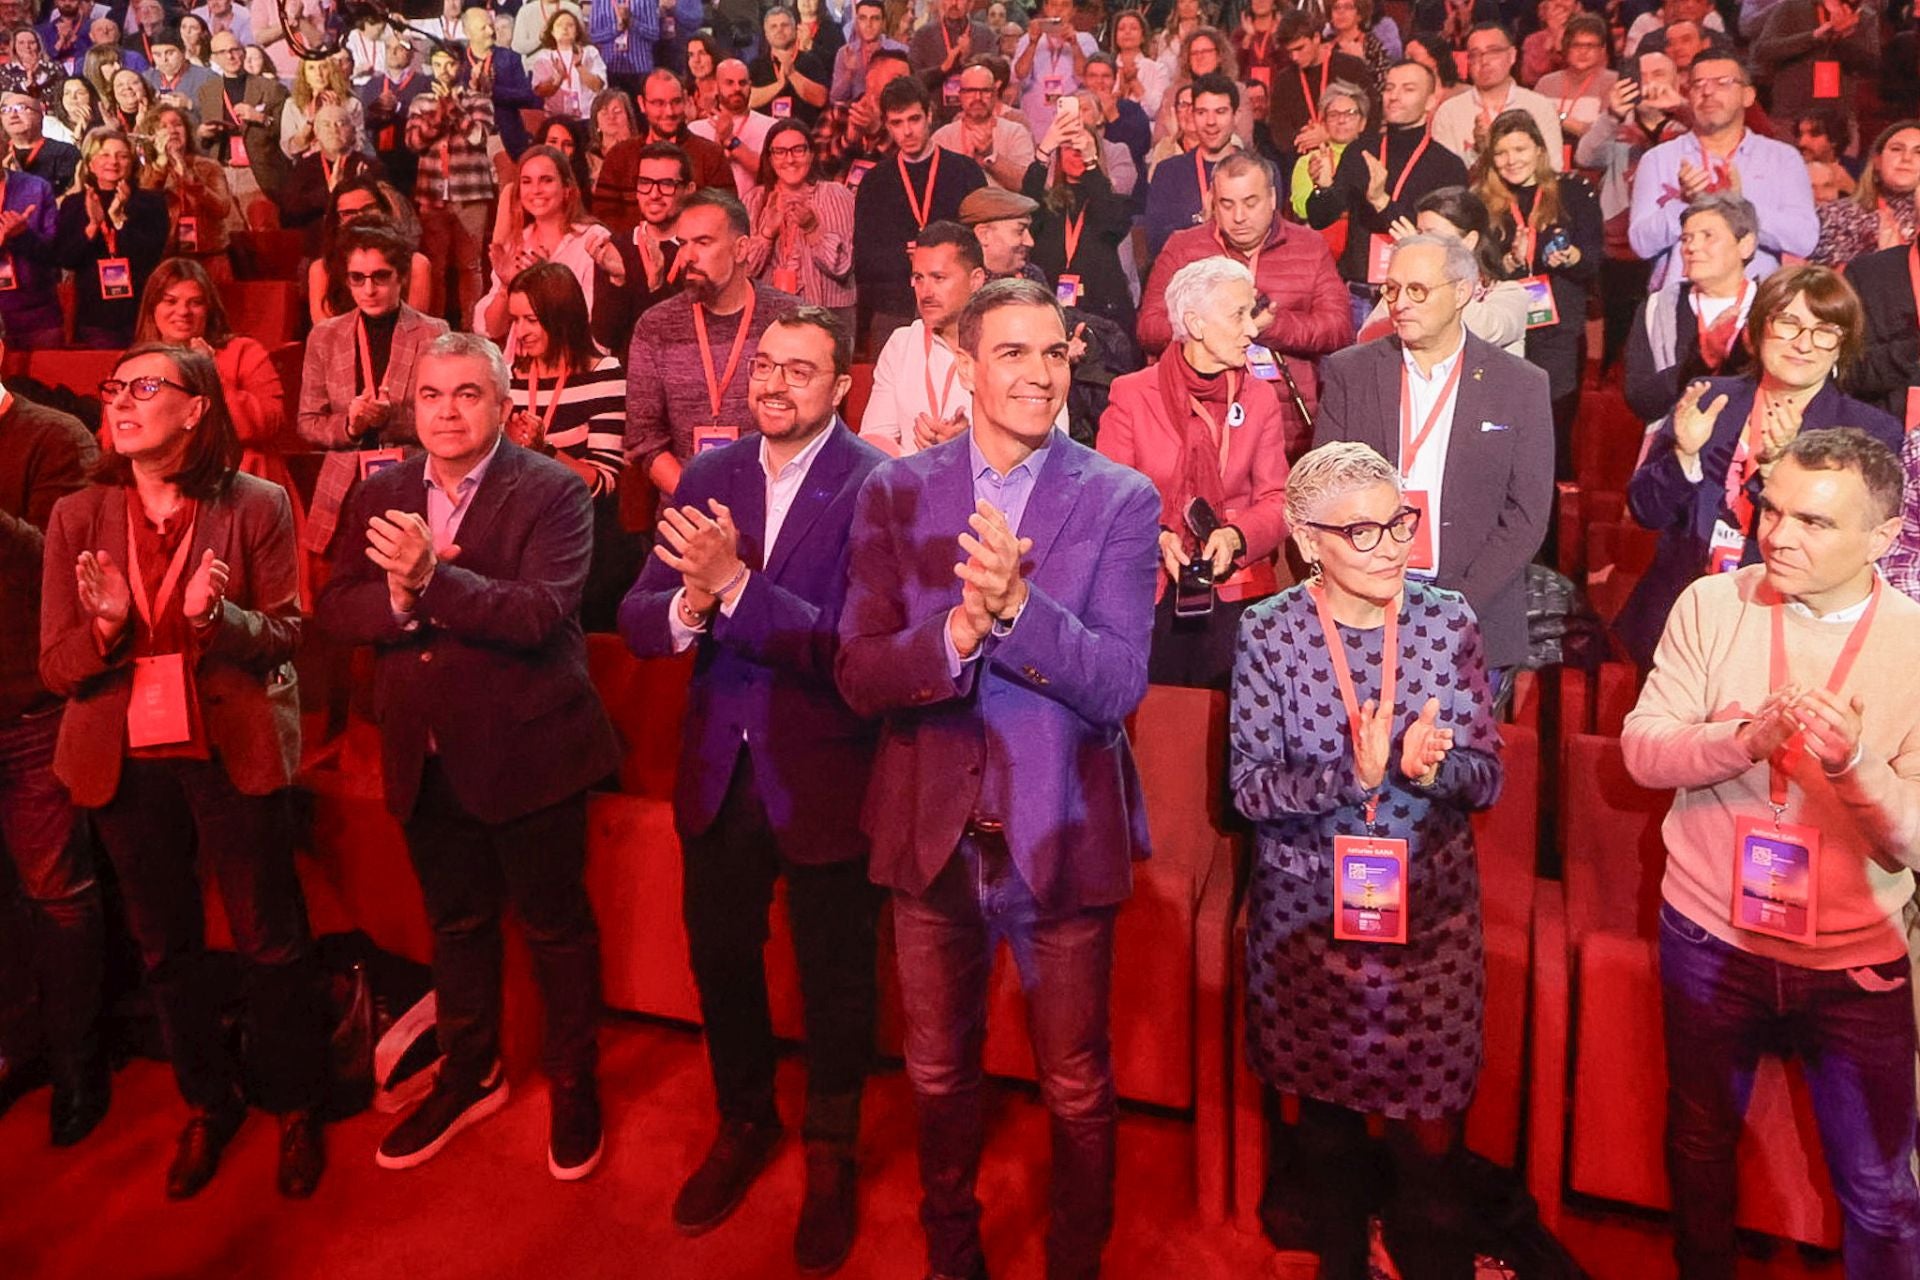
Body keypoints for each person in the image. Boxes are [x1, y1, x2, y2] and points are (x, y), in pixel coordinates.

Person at [835, 277, 1160, 1280]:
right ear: (965, 366)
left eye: (1055, 353)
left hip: (1058, 832)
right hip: (931, 835)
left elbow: (1114, 684)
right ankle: (952, 1254)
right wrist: (957, 633)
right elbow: (859, 672)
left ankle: (1075, 1259)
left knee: (1073, 1082)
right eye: (1013, 352)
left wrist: (1017, 611)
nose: (1039, 372)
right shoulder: (894, 490)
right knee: (936, 1070)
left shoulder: (1119, 497)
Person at [316, 331, 620, 1182]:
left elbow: (536, 614)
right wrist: (402, 600)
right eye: (431, 397)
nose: (447, 413)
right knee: (458, 925)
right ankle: (470, 1069)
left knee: (557, 928)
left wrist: (430, 585)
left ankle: (572, 1076)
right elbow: (337, 608)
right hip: (426, 750)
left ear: (504, 405)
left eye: (467, 395)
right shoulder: (379, 491)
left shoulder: (557, 492)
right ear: (412, 407)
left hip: (532, 750)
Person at [620, 305, 885, 1273]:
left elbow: (855, 646)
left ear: (841, 384)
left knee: (836, 978)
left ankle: (831, 1148)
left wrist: (736, 587)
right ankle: (743, 1120)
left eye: (798, 371)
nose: (772, 384)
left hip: (826, 769)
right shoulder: (709, 472)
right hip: (718, 766)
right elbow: (640, 618)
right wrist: (692, 598)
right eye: (764, 366)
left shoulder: (877, 485)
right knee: (722, 959)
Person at [1621, 427, 1920, 1280]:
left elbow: (1914, 840)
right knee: (1701, 1152)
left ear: (1884, 537)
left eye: (1815, 523)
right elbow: (1643, 752)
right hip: (1710, 937)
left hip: (1854, 959)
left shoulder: (1914, 641)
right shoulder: (1712, 606)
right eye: (1771, 508)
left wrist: (1854, 768)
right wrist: (1744, 739)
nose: (1777, 535)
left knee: (1878, 1189)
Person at [40, 344, 327, 1199]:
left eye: (146, 387)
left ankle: (296, 1103)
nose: (124, 401)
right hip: (123, 758)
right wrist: (104, 631)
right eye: (116, 388)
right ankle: (210, 1099)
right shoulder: (77, 516)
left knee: (267, 939)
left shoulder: (259, 503)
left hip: (226, 748)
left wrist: (221, 617)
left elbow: (286, 638)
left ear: (196, 409)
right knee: (164, 947)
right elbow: (57, 668)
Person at [1230, 438, 1501, 1278]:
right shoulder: (1269, 633)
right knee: (1329, 1144)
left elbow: (1486, 778)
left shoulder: (1446, 618)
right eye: (1363, 533)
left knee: (1431, 1155)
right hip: (1310, 928)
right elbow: (1249, 790)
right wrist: (1357, 774)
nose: (1390, 549)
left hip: (1431, 923)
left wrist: (1434, 766)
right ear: (1308, 540)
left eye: (1399, 525)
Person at [1618, 264, 1901, 666]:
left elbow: (1853, 549)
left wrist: (1781, 470)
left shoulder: (1869, 434)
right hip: (1683, 614)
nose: (1804, 344)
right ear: (1758, 330)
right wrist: (1685, 455)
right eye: (1788, 323)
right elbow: (1647, 510)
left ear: (1842, 345)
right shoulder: (1709, 398)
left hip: (1789, 629)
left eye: (1824, 331)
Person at [1313, 232, 1553, 681]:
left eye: (1417, 290)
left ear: (1462, 292)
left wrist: (1451, 608)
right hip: (1365, 608)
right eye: (1392, 289)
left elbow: (1526, 516)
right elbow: (1326, 494)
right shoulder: (1352, 373)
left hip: (1472, 615)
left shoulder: (1519, 385)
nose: (1400, 303)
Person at [0, 317, 105, 1149]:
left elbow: (63, 567)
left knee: (55, 892)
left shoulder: (53, 437)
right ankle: (18, 1046)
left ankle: (79, 1063)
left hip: (30, 702)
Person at [1100, 257, 1292, 688]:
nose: (1253, 328)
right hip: (1151, 589)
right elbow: (1109, 501)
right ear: (1195, 323)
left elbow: (1279, 500)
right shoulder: (1131, 395)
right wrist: (1158, 537)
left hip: (1237, 589)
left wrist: (1236, 536)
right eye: (1238, 314)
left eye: (1252, 311)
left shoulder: (1259, 398)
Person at [1140, 151, 1353, 458]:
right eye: (1227, 204)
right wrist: (1217, 330)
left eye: (1250, 203)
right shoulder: (1183, 247)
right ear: (1213, 201)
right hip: (1199, 419)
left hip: (1290, 430)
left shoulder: (1309, 246)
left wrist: (1272, 326)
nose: (1239, 216)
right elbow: (1149, 327)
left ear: (1272, 197)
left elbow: (1339, 329)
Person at [625, 189, 799, 500]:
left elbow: (809, 426)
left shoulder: (789, 321)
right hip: (686, 514)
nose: (688, 256)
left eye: (703, 243)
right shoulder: (656, 326)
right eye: (683, 244)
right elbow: (644, 438)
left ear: (741, 248)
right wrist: (696, 497)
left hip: (774, 508)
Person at [132, 257, 300, 571]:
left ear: (209, 310)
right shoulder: (135, 364)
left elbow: (267, 423)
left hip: (236, 483)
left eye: (195, 303)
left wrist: (210, 373)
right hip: (162, 489)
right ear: (152, 308)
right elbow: (116, 438)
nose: (183, 311)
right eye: (171, 301)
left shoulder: (244, 352)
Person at [296, 220, 450, 559]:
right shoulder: (325, 336)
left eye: (380, 276)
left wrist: (389, 418)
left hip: (414, 482)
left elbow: (443, 419)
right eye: (357, 278)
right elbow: (308, 423)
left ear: (401, 277)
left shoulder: (433, 334)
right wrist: (351, 425)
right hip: (344, 489)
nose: (369, 289)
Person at [501, 262, 631, 629]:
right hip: (519, 537)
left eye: (531, 319)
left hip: (585, 538)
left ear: (561, 316)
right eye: (515, 320)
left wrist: (546, 453)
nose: (520, 332)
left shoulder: (604, 373)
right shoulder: (508, 379)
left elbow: (604, 482)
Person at [1475, 108, 1600, 473]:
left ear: (1540, 150)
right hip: (1505, 334)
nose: (1511, 160)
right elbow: (1479, 269)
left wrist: (1571, 256)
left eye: (1520, 149)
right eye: (1501, 152)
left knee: (1552, 438)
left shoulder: (1573, 192)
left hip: (1558, 334)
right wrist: (1511, 264)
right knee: (1503, 436)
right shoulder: (1484, 202)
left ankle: (1552, 528)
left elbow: (1594, 261)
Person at [1629, 53, 1817, 290]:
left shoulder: (1782, 158)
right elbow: (1641, 243)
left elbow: (1804, 239)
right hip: (1681, 303)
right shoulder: (1658, 159)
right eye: (1698, 85)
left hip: (1760, 303)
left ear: (1748, 96)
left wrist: (1739, 204)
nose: (1707, 92)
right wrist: (1685, 204)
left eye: (1722, 83)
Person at [1306, 61, 1470, 332]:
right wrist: (1322, 188)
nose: (1394, 96)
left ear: (1431, 100)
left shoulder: (1447, 165)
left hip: (1416, 296)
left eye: (1408, 89)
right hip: (1358, 293)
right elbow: (1320, 218)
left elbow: (1441, 244)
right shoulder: (1361, 150)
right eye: (1390, 88)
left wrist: (1382, 202)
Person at [850, 75, 985, 351]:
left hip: (955, 306)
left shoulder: (965, 172)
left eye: (914, 119)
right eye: (897, 123)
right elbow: (864, 258)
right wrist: (909, 260)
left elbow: (980, 243)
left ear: (930, 116)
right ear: (886, 125)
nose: (907, 132)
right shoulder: (875, 182)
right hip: (894, 309)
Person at [1626, 193, 1760, 424]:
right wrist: (1702, 357)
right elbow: (1641, 401)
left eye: (1708, 236)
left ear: (1745, 245)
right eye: (1687, 238)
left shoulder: (1771, 308)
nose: (1692, 247)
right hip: (1674, 450)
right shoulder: (1658, 309)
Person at [860, 221, 990, 457]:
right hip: (911, 488)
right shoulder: (901, 344)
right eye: (919, 278)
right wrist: (917, 470)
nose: (926, 292)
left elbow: (1042, 443)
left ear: (976, 280)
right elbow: (873, 440)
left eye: (938, 278)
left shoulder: (1004, 346)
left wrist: (970, 445)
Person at [475, 144, 613, 340]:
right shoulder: (516, 244)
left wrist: (547, 287)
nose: (536, 190)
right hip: (522, 362)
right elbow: (489, 329)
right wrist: (506, 288)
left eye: (546, 180)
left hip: (575, 360)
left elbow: (595, 323)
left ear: (567, 189)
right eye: (527, 182)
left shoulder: (593, 240)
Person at [1023, 101, 1137, 335]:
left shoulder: (1108, 199)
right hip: (1049, 311)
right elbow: (1026, 201)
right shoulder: (1046, 204)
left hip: (1102, 313)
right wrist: (1045, 148)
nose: (1075, 154)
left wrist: (1091, 163)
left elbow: (1111, 222)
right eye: (1068, 148)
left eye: (1081, 148)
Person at [408, 44, 499, 329]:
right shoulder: (421, 102)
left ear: (460, 66)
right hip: (433, 194)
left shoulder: (479, 100)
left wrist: (456, 110)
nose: (443, 71)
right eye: (437, 64)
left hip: (470, 193)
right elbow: (413, 142)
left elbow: (478, 138)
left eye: (449, 64)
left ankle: (471, 328)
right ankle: (434, 328)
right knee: (434, 267)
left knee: (469, 266)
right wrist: (438, 114)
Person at [53, 126, 167, 349]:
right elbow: (66, 258)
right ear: (89, 164)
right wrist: (93, 226)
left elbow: (150, 256)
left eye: (122, 156)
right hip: (95, 313)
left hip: (142, 307)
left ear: (132, 163)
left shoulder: (151, 202)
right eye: (104, 155)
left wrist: (118, 219)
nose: (113, 162)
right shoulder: (74, 204)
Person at [741, 118, 855, 328]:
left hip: (829, 315)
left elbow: (842, 267)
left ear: (811, 154)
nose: (790, 159)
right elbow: (744, 271)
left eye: (798, 150)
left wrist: (812, 229)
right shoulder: (754, 200)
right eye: (780, 152)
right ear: (770, 158)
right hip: (769, 314)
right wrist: (767, 234)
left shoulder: (836, 195)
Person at [589, 140, 691, 354]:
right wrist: (617, 281)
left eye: (666, 184)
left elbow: (690, 333)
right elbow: (604, 339)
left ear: (689, 189)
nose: (654, 194)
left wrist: (659, 287)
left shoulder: (698, 250)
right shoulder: (616, 249)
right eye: (645, 182)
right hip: (628, 377)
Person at [1429, 23, 1564, 172]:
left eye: (1493, 52)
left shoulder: (1539, 106)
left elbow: (1554, 167)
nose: (1484, 61)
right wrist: (1476, 150)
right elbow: (1444, 174)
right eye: (1475, 54)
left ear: (1512, 55)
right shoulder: (1449, 111)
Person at [305, 180, 433, 322]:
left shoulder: (416, 265)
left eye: (368, 209)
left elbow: (414, 330)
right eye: (348, 213)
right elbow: (325, 334)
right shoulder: (321, 270)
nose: (360, 217)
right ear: (337, 221)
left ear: (383, 211)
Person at [1143, 71, 1238, 258]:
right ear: (1193, 115)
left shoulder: (1260, 171)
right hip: (1187, 277)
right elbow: (1157, 243)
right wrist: (1203, 220)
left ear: (1235, 116)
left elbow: (1265, 238)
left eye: (1220, 112)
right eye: (1202, 112)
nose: (1211, 122)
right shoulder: (1168, 172)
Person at [195, 29, 287, 224]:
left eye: (234, 49)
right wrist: (203, 133)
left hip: (258, 172)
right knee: (230, 236)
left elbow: (285, 132)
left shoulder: (271, 88)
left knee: (264, 233)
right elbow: (201, 141)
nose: (230, 56)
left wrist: (260, 118)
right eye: (223, 52)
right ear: (214, 58)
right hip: (223, 171)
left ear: (243, 51)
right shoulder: (207, 91)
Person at [137, 102, 236, 282]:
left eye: (177, 124)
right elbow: (142, 210)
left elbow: (222, 208)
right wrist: (160, 166)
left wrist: (191, 180)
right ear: (151, 136)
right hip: (166, 260)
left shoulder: (208, 166)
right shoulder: (145, 172)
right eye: (163, 127)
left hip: (210, 257)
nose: (172, 130)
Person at [1751, 0, 1878, 127]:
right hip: (1790, 116)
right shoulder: (1793, 6)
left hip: (1839, 122)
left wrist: (1844, 39)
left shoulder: (1866, 16)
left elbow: (1871, 66)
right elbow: (1763, 52)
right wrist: (1813, 37)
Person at [1812, 121, 1920, 271]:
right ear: (1877, 161)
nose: (1906, 158)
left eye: (1919, 152)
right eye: (1896, 149)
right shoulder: (1833, 216)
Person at [1266, 10, 1371, 156]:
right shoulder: (1284, 80)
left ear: (1316, 38)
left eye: (1300, 48)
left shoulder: (1352, 68)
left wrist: (1330, 135)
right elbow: (1279, 133)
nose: (1294, 57)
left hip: (1351, 158)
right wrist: (1306, 139)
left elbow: (1372, 118)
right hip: (1301, 160)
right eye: (1289, 52)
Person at [277, 101, 382, 237]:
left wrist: (363, 189)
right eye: (326, 125)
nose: (334, 129)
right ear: (316, 133)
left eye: (341, 123)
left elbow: (387, 213)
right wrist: (328, 191)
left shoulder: (371, 166)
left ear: (353, 131)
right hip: (318, 243)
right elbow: (287, 216)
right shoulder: (305, 167)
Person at [934, 59, 1036, 193]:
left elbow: (1028, 185)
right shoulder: (942, 138)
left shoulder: (1016, 132)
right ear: (961, 95)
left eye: (985, 91)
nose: (978, 98)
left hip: (1007, 212)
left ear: (994, 94)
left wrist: (990, 156)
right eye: (970, 91)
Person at [458, 5, 541, 160]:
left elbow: (526, 97)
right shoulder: (459, 63)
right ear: (467, 32)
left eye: (491, 26)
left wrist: (492, 92)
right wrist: (473, 90)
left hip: (507, 141)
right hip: (468, 142)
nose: (491, 32)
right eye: (483, 28)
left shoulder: (510, 58)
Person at [690, 58, 775, 206]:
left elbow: (770, 175)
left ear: (750, 86)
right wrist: (719, 141)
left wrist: (730, 140)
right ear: (716, 86)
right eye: (729, 83)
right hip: (710, 215)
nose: (737, 88)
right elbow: (696, 181)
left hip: (758, 214)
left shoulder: (771, 127)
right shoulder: (696, 129)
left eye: (743, 83)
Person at [1533, 14, 1615, 164]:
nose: (1583, 52)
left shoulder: (1612, 82)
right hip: (1547, 163)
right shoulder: (1546, 83)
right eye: (1576, 45)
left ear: (1602, 50)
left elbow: (1605, 135)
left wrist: (1561, 118)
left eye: (1590, 46)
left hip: (1592, 167)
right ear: (1565, 47)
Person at [1287, 78, 1367, 224]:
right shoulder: (1310, 161)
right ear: (1323, 123)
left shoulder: (1375, 158)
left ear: (1362, 123)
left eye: (1349, 113)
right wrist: (1320, 187)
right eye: (1333, 115)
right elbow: (1302, 210)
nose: (1341, 120)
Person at [1012, 0, 1097, 136]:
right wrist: (1032, 44)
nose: (1058, 10)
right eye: (1053, 5)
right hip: (1034, 122)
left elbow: (1087, 78)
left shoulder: (1085, 40)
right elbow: (1020, 74)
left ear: (1073, 10)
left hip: (1071, 123)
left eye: (1064, 5)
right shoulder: (1027, 39)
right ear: (1045, 8)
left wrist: (1074, 45)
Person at [0, 160, 60, 350]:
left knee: (45, 377)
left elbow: (56, 252)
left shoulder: (36, 187)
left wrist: (23, 235)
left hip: (36, 314)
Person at [749, 5, 829, 128]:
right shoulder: (756, 65)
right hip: (765, 134)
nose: (779, 30)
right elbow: (748, 100)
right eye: (773, 26)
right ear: (766, 34)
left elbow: (821, 99)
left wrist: (792, 73)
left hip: (805, 132)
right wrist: (778, 86)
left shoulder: (811, 61)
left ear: (795, 30)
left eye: (784, 25)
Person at [280, 52, 360, 162]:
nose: (318, 73)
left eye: (323, 67)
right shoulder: (292, 105)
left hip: (344, 164)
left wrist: (337, 114)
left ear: (331, 71)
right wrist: (310, 123)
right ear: (304, 74)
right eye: (311, 68)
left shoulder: (352, 103)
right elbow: (289, 149)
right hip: (307, 167)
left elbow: (359, 145)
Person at [530, 9, 607, 121]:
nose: (565, 29)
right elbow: (540, 92)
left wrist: (579, 67)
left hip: (587, 117)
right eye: (559, 25)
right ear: (552, 32)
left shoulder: (590, 52)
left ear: (577, 31)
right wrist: (558, 79)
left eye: (570, 25)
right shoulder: (544, 57)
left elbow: (598, 87)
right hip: (557, 118)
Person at [1, 90, 80, 193]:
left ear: (40, 114)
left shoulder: (65, 152)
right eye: (5, 110)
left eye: (21, 108)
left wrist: (21, 182)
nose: (13, 115)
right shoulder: (2, 153)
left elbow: (70, 200)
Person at [831, 0, 905, 106]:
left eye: (875, 19)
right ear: (856, 22)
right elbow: (835, 99)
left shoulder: (900, 51)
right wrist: (849, 73)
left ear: (883, 22)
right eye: (863, 18)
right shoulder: (845, 53)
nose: (868, 24)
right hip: (854, 115)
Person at [908, 0, 996, 84]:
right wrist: (943, 68)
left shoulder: (986, 35)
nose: (954, 3)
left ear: (970, 3)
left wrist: (968, 60)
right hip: (934, 98)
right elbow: (913, 80)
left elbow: (994, 77)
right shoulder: (923, 35)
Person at [1110, 10, 1168, 120]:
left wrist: (1135, 83)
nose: (1127, 32)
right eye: (1121, 28)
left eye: (1133, 28)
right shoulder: (1107, 67)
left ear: (1143, 37)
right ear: (1115, 36)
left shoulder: (1158, 69)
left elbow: (1157, 111)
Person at [142, 31, 213, 108]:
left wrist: (189, 104)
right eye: (157, 54)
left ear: (183, 52)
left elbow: (217, 112)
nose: (164, 59)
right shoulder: (147, 78)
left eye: (169, 53)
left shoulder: (207, 77)